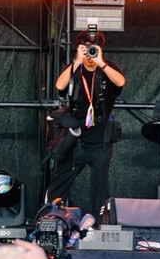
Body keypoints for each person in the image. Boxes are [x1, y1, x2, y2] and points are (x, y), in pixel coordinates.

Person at [46, 26, 126, 220]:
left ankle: (97, 222)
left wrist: (101, 62)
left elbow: (120, 82)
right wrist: (76, 61)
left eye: (94, 49)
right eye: (87, 48)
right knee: (62, 179)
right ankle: (52, 217)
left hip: (100, 138)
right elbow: (59, 86)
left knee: (100, 183)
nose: (90, 54)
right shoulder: (75, 68)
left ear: (101, 49)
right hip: (77, 137)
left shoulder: (108, 68)